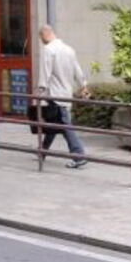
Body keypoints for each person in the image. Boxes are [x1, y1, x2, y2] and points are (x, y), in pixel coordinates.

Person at [38, 23, 89, 168]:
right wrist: (83, 86)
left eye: (40, 38)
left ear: (44, 35)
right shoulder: (69, 49)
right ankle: (42, 151)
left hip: (55, 94)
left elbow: (45, 72)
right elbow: (77, 70)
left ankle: (78, 155)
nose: (41, 41)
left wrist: (40, 89)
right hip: (66, 93)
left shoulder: (48, 50)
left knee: (64, 125)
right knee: (54, 123)